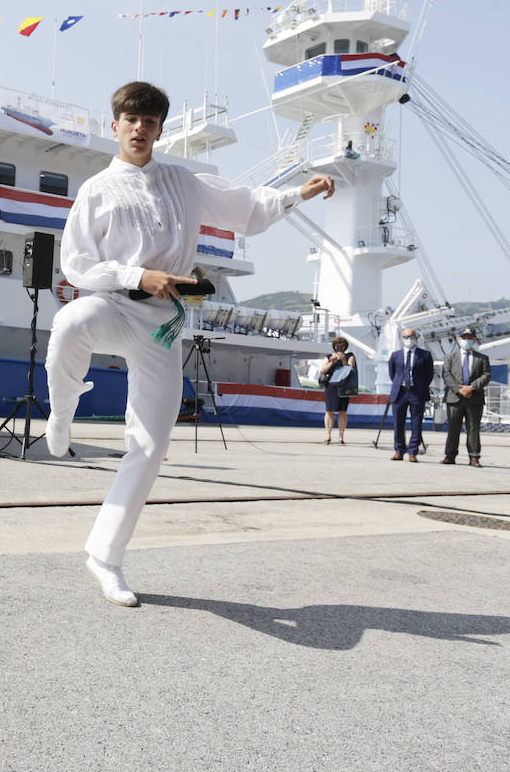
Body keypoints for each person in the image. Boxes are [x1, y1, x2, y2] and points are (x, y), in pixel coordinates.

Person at [43, 80, 335, 607]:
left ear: (159, 129)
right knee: (69, 323)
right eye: (131, 120)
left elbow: (246, 206)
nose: (140, 128)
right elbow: (78, 266)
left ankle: (105, 557)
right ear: (116, 126)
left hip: (164, 322)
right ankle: (62, 411)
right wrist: (137, 275)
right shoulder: (96, 190)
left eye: (150, 121)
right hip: (114, 302)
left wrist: (300, 193)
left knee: (152, 445)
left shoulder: (183, 181)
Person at [441, 327, 491, 467]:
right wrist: (459, 389)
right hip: (454, 397)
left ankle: (474, 457)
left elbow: (486, 376)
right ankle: (450, 455)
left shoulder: (482, 358)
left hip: (474, 398)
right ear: (459, 339)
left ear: (474, 339)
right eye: (464, 338)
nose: (467, 340)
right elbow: (447, 375)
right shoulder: (450, 357)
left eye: (470, 338)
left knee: (473, 428)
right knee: (453, 428)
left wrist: (471, 387)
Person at [387, 327, 433, 462]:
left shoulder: (425, 355)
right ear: (402, 339)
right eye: (406, 337)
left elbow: (429, 374)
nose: (409, 339)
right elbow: (393, 374)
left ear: (417, 338)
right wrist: (399, 384)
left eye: (412, 336)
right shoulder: (395, 355)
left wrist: (420, 385)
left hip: (417, 392)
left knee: (416, 423)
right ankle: (399, 450)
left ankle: (413, 451)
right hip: (400, 391)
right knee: (398, 423)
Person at [319, 335, 357, 444]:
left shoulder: (350, 356)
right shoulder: (329, 357)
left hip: (344, 386)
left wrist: (343, 359)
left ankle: (341, 436)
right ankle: (328, 435)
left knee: (342, 411)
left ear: (345, 346)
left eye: (341, 345)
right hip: (331, 385)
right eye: (337, 345)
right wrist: (332, 362)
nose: (339, 347)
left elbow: (350, 369)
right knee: (329, 410)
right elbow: (323, 370)